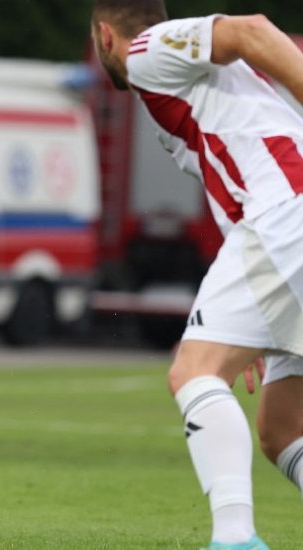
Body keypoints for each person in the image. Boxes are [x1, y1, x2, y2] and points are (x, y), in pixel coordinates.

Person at [91, 2, 303, 549]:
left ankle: (235, 540)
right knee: (282, 430)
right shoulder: (182, 103)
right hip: (275, 231)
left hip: (283, 213)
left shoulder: (146, 50)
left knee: (194, 373)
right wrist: (253, 320)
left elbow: (251, 30)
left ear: (104, 34)